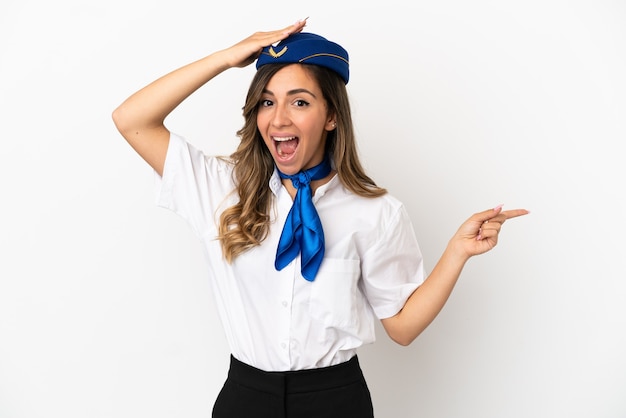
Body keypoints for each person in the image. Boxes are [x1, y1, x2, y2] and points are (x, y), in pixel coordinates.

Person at [112, 18, 529, 418]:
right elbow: (132, 119)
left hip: (336, 402)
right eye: (267, 102)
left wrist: (456, 253)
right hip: (245, 399)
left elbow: (401, 327)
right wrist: (227, 57)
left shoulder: (376, 212)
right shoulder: (222, 192)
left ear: (331, 117)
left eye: (300, 102)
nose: (278, 119)